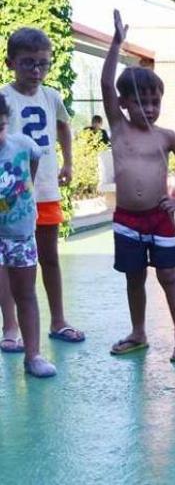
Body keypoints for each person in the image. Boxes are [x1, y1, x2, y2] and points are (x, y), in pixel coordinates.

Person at [101, 10, 175, 362]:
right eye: (140, 102)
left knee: (169, 276)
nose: (149, 109)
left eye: (154, 101)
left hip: (159, 218)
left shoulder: (166, 136)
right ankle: (139, 332)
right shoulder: (118, 127)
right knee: (133, 278)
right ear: (124, 103)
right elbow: (105, 84)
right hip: (127, 218)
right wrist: (116, 43)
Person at [1, 27, 85, 346]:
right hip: (10, 197)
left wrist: (68, 162)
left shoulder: (51, 96)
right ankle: (10, 327)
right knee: (8, 261)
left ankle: (59, 320)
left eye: (42, 64)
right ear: (10, 63)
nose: (36, 71)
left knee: (49, 257)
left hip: (46, 192)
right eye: (27, 63)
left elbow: (64, 125)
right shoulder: (4, 98)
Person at [0, 94, 56, 377]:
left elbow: (32, 161)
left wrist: (27, 194)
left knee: (26, 294)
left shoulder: (21, 145)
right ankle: (8, 328)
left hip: (20, 235)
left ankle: (32, 355)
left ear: (6, 122)